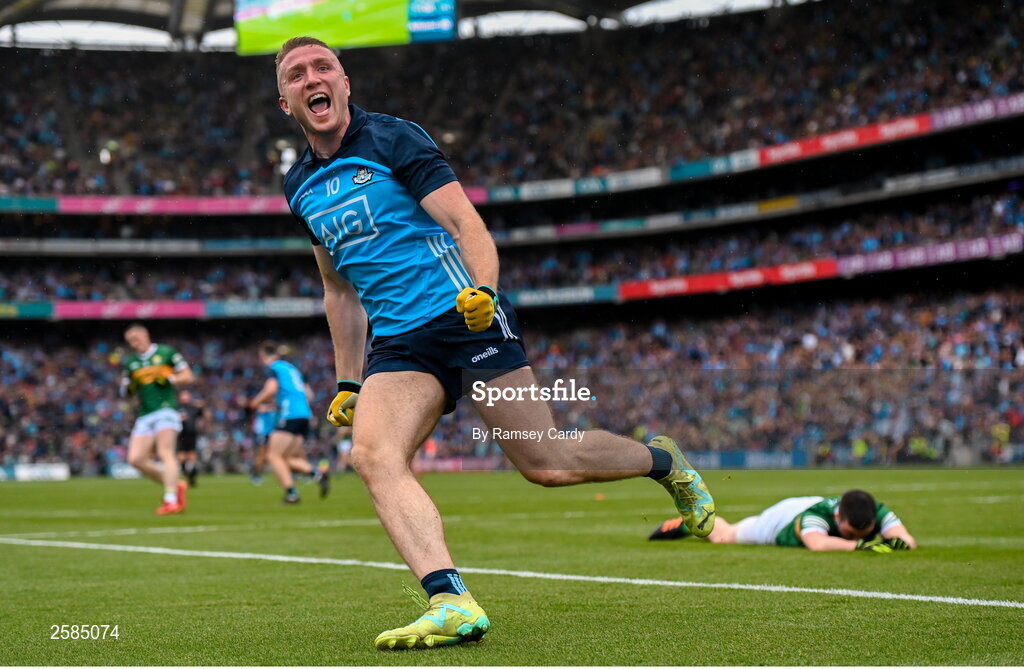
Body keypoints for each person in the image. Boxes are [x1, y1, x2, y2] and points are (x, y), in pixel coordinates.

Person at [275, 36, 715, 650]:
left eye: (324, 66)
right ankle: (451, 600)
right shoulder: (297, 185)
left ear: (345, 83)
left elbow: (465, 224)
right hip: (399, 345)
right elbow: (339, 291)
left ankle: (664, 461)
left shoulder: (394, 138)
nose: (312, 78)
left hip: (464, 317)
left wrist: (482, 291)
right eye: (297, 74)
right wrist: (349, 379)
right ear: (285, 102)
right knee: (373, 456)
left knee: (547, 463)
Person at [649, 489, 917, 552]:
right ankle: (695, 521)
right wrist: (861, 547)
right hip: (781, 519)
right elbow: (817, 543)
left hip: (803, 504)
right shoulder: (818, 516)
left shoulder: (872, 509)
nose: (856, 536)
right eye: (850, 532)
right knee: (724, 537)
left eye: (864, 533)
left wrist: (897, 543)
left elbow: (906, 540)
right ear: (839, 517)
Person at [119, 324, 195, 515]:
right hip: (145, 414)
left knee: (165, 452)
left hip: (166, 410)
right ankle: (176, 485)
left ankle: (170, 500)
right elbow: (126, 391)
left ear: (146, 335)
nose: (134, 344)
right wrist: (129, 388)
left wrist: (170, 378)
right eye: (131, 342)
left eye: (136, 339)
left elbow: (188, 376)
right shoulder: (131, 362)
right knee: (135, 459)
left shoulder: (166, 352)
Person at [247, 343, 327, 502]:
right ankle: (317, 473)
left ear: (263, 356)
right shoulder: (292, 369)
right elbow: (309, 394)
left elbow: (270, 389)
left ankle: (292, 493)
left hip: (290, 415)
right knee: (288, 458)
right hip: (304, 414)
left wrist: (255, 402)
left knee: (272, 456)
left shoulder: (274, 368)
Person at [176, 389, 207, 488]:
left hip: (192, 435)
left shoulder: (193, 408)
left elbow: (203, 415)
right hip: (181, 435)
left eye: (186, 395)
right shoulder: (177, 408)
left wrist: (202, 407)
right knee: (181, 457)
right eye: (183, 395)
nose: (184, 397)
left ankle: (192, 476)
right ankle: (187, 475)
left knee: (192, 456)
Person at [249, 401, 278, 485]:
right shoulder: (262, 407)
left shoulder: (273, 409)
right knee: (261, 455)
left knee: (269, 455)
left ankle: (256, 473)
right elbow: (261, 408)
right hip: (263, 433)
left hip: (271, 434)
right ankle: (255, 475)